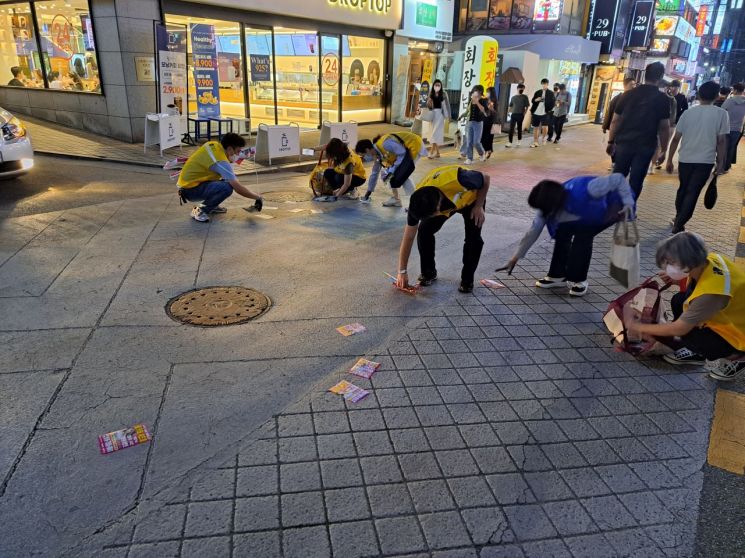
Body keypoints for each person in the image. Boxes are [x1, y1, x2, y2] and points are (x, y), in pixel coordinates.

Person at [628, 232, 745, 381]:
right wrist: (677, 281)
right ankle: (696, 353)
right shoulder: (709, 260)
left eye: (671, 262)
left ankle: (738, 356)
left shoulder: (712, 293)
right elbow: (696, 287)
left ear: (687, 262)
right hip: (731, 316)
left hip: (739, 332)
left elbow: (679, 328)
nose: (667, 267)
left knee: (690, 333)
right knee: (679, 301)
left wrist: (638, 327)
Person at [499, 174, 635, 297]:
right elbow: (534, 230)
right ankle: (557, 276)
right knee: (562, 232)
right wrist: (515, 258)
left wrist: (628, 202)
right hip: (580, 212)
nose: (542, 213)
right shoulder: (546, 206)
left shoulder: (589, 188)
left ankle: (579, 280)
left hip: (610, 208)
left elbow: (618, 179)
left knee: (583, 236)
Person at [395, 165, 490, 293]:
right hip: (443, 200)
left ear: (438, 207)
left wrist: (479, 206)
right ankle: (428, 273)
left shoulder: (462, 178)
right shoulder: (417, 202)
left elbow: (485, 177)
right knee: (424, 231)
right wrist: (402, 271)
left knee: (473, 239)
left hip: (471, 201)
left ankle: (467, 280)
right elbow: (408, 237)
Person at [665, 81, 729, 233]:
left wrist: (669, 159)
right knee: (693, 192)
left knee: (683, 189)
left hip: (685, 158)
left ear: (699, 94)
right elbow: (721, 141)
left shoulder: (688, 113)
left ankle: (678, 219)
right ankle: (679, 223)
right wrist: (721, 162)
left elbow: (675, 138)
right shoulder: (721, 114)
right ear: (716, 96)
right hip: (705, 161)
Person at [607, 62, 672, 198]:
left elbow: (615, 120)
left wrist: (611, 141)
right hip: (646, 145)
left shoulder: (627, 95)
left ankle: (611, 207)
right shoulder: (663, 99)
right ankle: (629, 210)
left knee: (618, 176)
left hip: (624, 142)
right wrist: (664, 150)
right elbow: (664, 127)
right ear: (660, 77)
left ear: (644, 75)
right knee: (636, 180)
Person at [177, 132, 263, 222]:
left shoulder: (213, 145)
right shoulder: (220, 161)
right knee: (227, 187)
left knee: (224, 181)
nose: (237, 155)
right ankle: (200, 210)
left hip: (189, 185)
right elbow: (237, 188)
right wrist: (257, 197)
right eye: (237, 151)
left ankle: (212, 206)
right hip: (190, 190)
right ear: (230, 148)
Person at [355, 131, 426, 207]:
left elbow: (402, 153)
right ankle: (396, 199)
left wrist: (393, 170)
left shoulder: (385, 144)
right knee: (388, 176)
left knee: (404, 175)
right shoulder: (377, 156)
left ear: (367, 150)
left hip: (414, 145)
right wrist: (368, 193)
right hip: (404, 152)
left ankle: (416, 203)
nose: (364, 159)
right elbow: (374, 174)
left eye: (363, 155)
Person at [602, 77, 636, 169]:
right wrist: (605, 126)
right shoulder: (617, 98)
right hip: (617, 127)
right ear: (625, 86)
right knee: (614, 144)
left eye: (634, 85)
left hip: (628, 129)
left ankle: (621, 163)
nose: (633, 87)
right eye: (631, 85)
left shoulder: (635, 99)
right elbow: (609, 113)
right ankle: (614, 163)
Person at [459, 86, 488, 164]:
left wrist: (477, 101)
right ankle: (469, 158)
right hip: (470, 122)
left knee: (476, 142)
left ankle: (482, 153)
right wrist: (462, 116)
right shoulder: (471, 100)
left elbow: (483, 110)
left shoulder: (483, 100)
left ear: (480, 92)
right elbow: (468, 111)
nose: (475, 92)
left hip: (478, 123)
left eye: (477, 91)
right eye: (474, 91)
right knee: (469, 141)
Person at [721, 82, 745, 171]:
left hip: (726, 127)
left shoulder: (729, 100)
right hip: (738, 129)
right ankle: (727, 166)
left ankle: (721, 166)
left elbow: (722, 111)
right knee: (731, 148)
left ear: (734, 90)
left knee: (723, 148)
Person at [426, 79, 450, 159]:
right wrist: (429, 102)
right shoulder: (431, 94)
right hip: (432, 116)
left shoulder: (443, 94)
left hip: (440, 116)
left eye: (439, 85)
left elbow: (445, 106)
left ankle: (432, 152)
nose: (437, 86)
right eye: (436, 85)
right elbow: (428, 106)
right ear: (433, 86)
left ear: (441, 86)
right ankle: (438, 153)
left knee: (434, 134)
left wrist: (447, 117)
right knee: (433, 134)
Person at [530, 78, 555, 147]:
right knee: (535, 127)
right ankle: (535, 141)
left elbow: (553, 103)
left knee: (545, 126)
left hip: (545, 112)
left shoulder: (551, 93)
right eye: (543, 84)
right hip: (536, 112)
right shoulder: (538, 92)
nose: (544, 85)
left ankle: (544, 138)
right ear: (541, 84)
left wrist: (548, 109)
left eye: (545, 84)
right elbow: (532, 101)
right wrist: (536, 99)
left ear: (547, 84)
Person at [506, 83, 529, 148]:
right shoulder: (513, 97)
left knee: (519, 128)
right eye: (520, 88)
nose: (522, 90)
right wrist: (508, 112)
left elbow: (527, 106)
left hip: (520, 114)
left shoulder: (525, 97)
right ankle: (510, 142)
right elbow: (510, 105)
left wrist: (524, 113)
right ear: (517, 88)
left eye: (523, 89)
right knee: (511, 128)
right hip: (513, 114)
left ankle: (519, 140)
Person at [480, 86, 498, 158]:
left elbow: (496, 112)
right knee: (483, 137)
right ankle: (486, 151)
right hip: (484, 120)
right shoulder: (485, 100)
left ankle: (488, 150)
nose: (486, 93)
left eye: (488, 92)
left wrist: (492, 108)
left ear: (491, 93)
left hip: (490, 121)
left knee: (489, 137)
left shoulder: (495, 101)